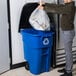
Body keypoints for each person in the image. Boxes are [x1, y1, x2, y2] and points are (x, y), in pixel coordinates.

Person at [38, 0, 75, 76]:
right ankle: (67, 68)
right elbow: (58, 6)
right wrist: (45, 4)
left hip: (68, 32)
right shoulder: (67, 5)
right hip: (66, 31)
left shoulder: (70, 7)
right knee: (67, 51)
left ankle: (69, 72)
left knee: (68, 52)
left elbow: (57, 10)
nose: (63, 0)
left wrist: (44, 8)